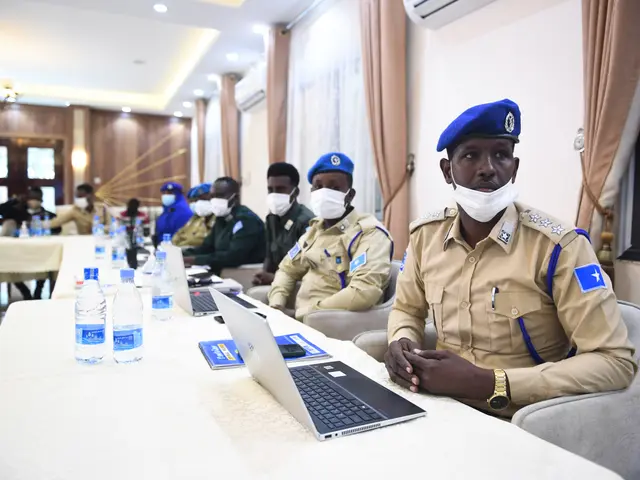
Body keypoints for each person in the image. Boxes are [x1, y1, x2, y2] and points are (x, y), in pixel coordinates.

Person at [385, 99, 637, 418]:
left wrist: (492, 383)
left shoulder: (559, 248)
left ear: (514, 168)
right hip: (436, 407)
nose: (488, 167)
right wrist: (402, 340)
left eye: (501, 155)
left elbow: (614, 362)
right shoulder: (426, 237)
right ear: (447, 170)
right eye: (471, 155)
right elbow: (407, 309)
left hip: (522, 421)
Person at [268, 152, 393, 320]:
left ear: (350, 195)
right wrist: (277, 305)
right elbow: (287, 269)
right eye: (318, 187)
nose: (324, 193)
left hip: (335, 325)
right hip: (302, 322)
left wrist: (306, 313)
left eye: (334, 188)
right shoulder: (314, 230)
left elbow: (364, 291)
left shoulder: (369, 233)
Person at [182, 177, 265, 274]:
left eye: (220, 196)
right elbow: (206, 247)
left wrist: (194, 260)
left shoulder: (246, 221)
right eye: (212, 196)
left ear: (235, 198)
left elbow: (233, 257)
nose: (215, 200)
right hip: (220, 271)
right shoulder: (221, 218)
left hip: (242, 273)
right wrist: (181, 255)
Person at [252, 163, 314, 287]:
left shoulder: (306, 221)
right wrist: (263, 274)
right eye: (270, 189)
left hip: (297, 288)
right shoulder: (271, 218)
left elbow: (309, 271)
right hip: (274, 285)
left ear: (295, 192)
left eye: (280, 189)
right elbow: (269, 256)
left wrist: (274, 278)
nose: (274, 194)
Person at [172, 183, 216, 248]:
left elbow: (196, 240)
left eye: (201, 199)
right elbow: (179, 233)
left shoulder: (217, 218)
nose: (197, 204)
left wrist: (182, 246)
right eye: (193, 201)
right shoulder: (196, 217)